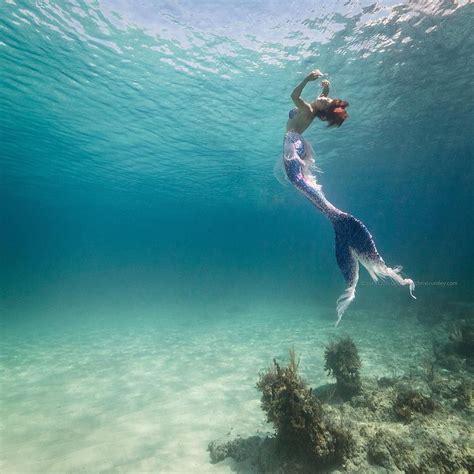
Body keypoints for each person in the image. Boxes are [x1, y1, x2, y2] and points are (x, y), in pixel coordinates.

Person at [282, 70, 415, 326]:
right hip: (296, 146)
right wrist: (326, 90)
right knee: (311, 191)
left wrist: (308, 80)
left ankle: (340, 223)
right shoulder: (314, 108)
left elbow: (294, 95)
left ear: (320, 108)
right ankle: (339, 223)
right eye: (326, 100)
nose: (324, 98)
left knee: (301, 183)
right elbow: (321, 104)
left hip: (293, 149)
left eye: (326, 100)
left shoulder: (308, 109)